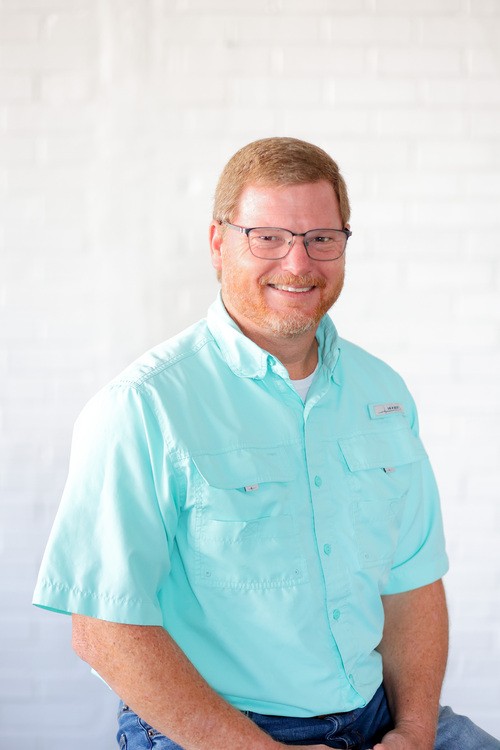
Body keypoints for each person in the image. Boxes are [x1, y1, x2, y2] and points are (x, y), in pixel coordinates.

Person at [33, 137, 499, 750]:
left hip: (377, 718)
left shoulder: (383, 394)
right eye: (268, 237)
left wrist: (413, 731)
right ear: (218, 243)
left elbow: (412, 586)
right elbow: (104, 628)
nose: (299, 263)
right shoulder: (143, 407)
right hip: (217, 732)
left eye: (321, 238)